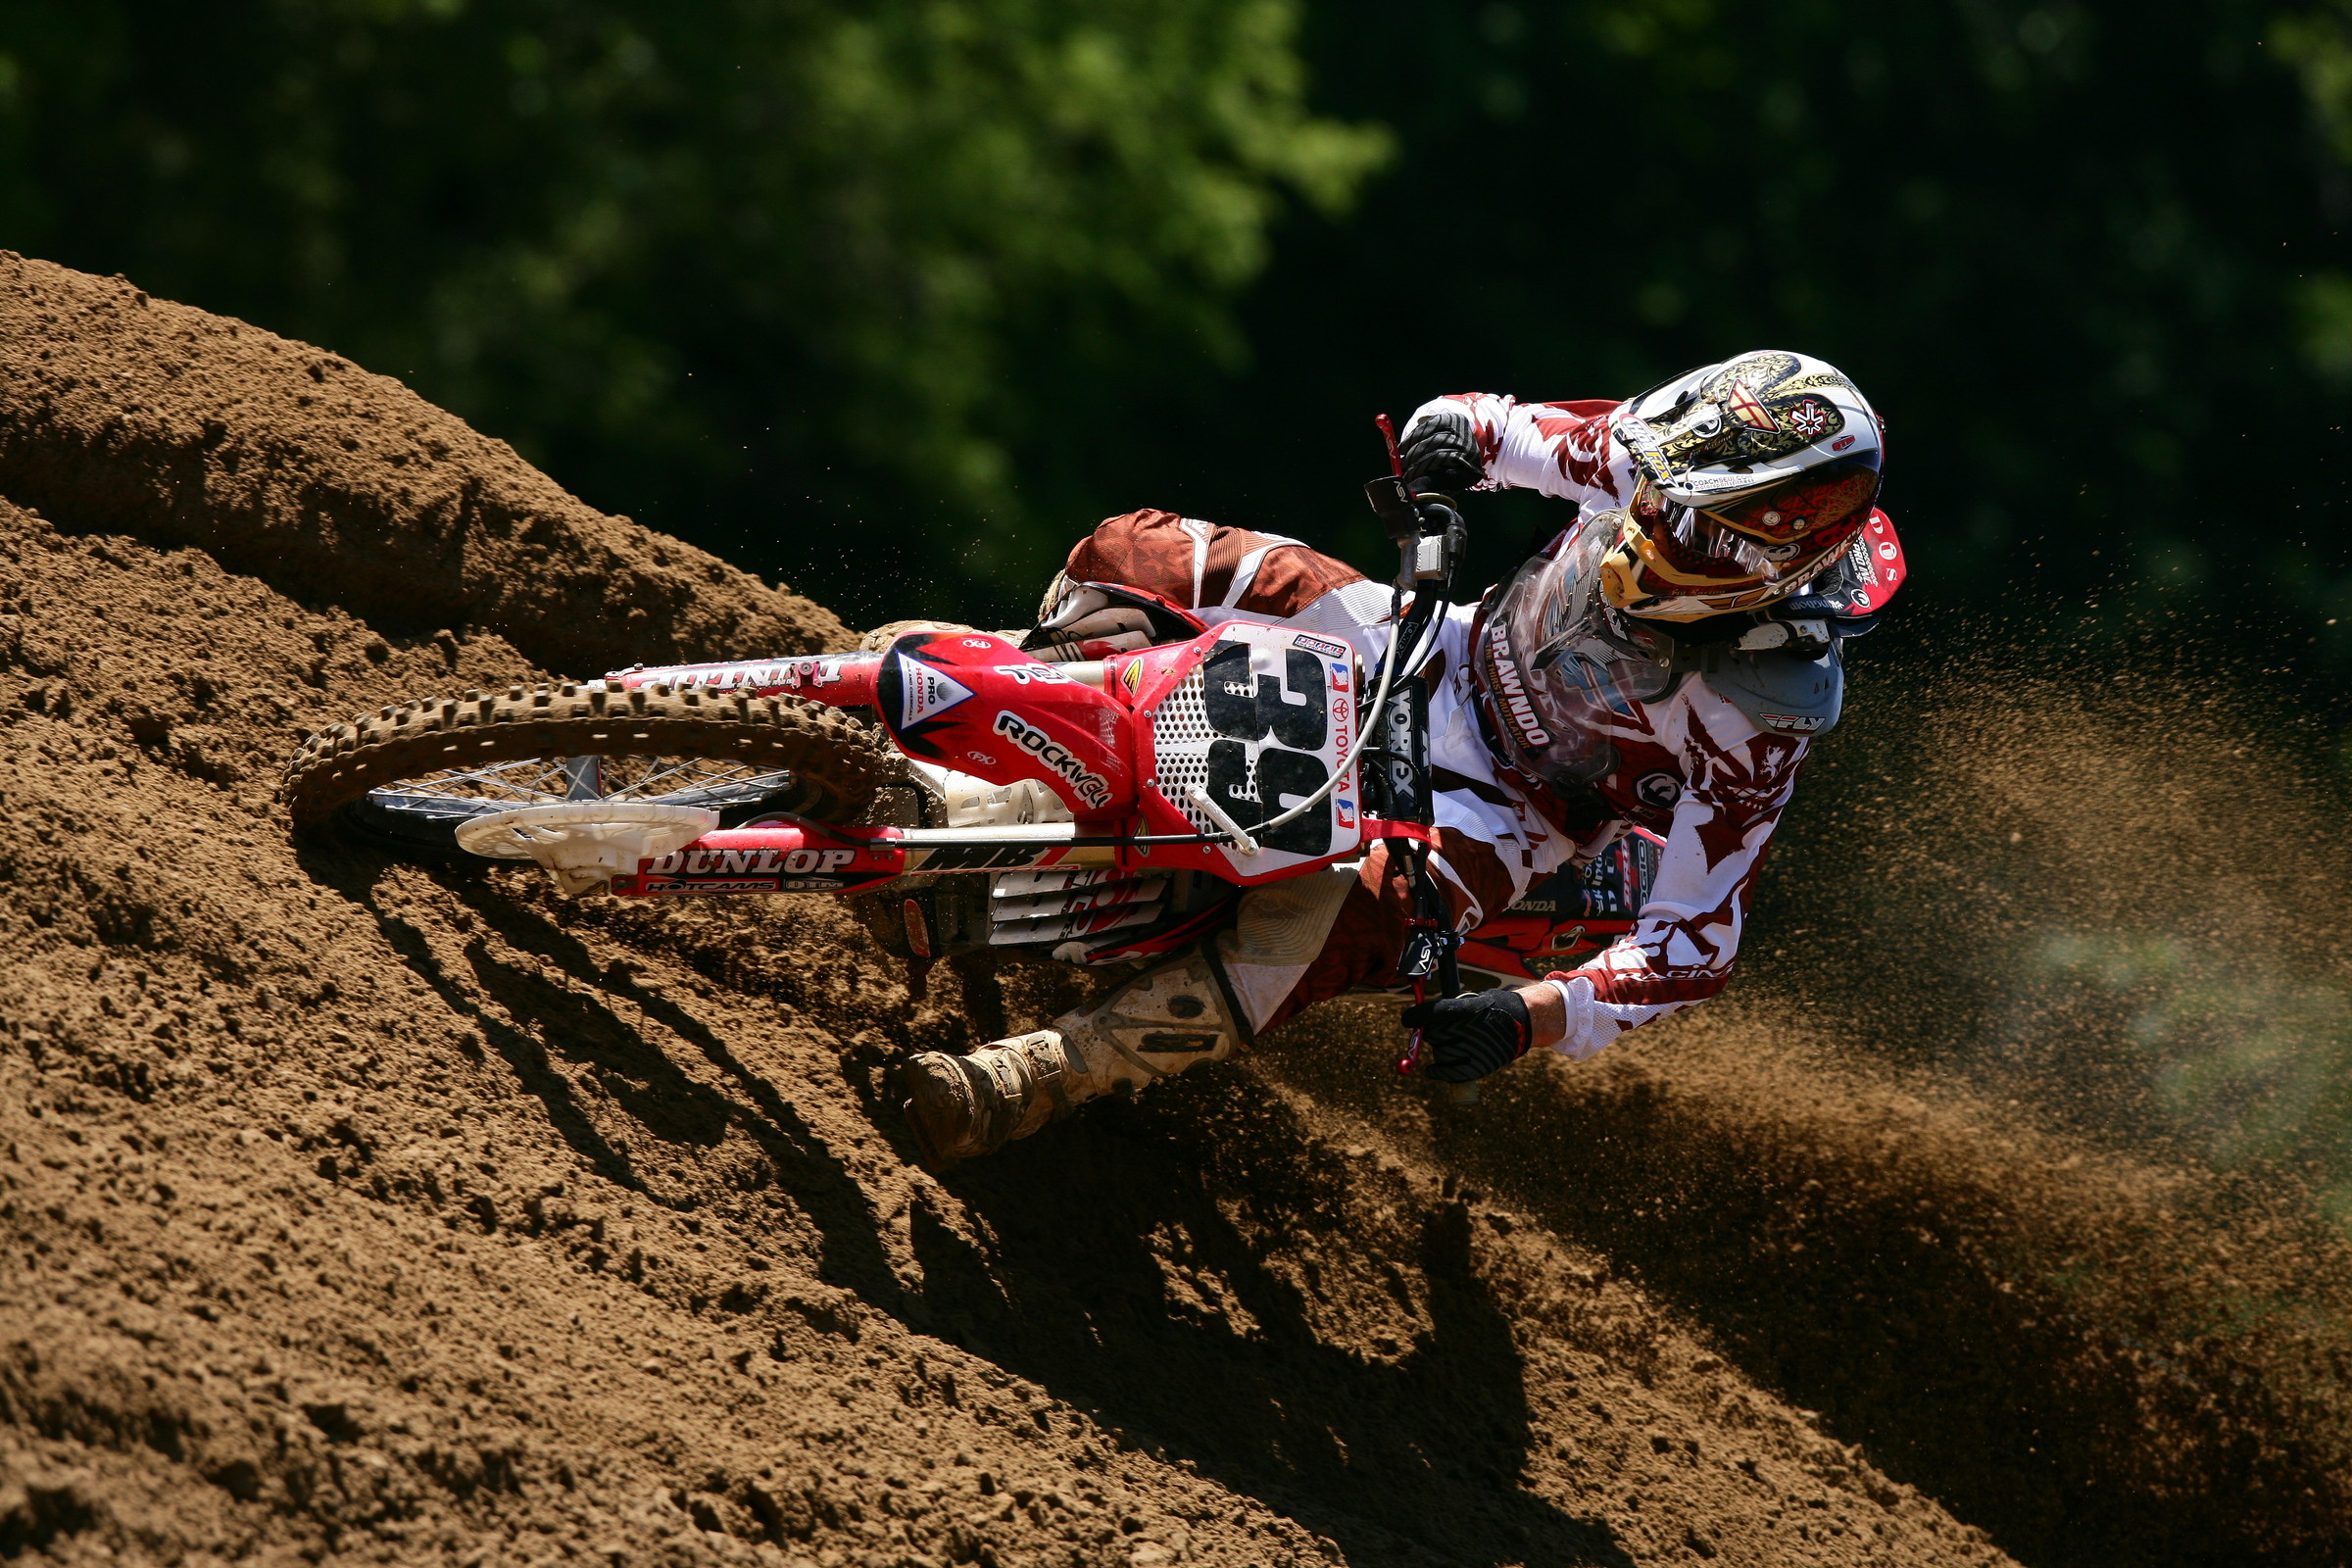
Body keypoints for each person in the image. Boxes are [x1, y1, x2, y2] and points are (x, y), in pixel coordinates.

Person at [898, 350, 1899, 1166]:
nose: (1648, 525)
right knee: (1135, 555)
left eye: (1689, 530)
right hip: (1432, 647)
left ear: (1774, 561)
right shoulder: (1658, 462)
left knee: (1356, 905)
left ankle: (1048, 1072)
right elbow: (1494, 425)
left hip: (1505, 813)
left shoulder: (1765, 712)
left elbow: (1694, 942)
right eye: (1658, 497)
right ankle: (986, 717)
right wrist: (1446, 442)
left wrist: (1528, 1018)